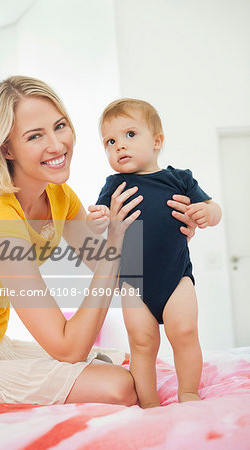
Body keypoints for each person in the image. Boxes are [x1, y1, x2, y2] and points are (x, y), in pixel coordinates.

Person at [0, 78, 195, 406]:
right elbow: (68, 348)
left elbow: (122, 269)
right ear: (6, 148)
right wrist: (116, 242)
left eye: (60, 126)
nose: (57, 145)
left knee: (121, 360)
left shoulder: (57, 194)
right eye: (35, 136)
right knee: (120, 387)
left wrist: (171, 231)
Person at [87, 98, 222, 408]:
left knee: (185, 332)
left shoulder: (180, 179)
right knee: (142, 342)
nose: (119, 146)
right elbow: (98, 219)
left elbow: (214, 208)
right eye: (110, 141)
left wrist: (207, 213)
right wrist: (95, 219)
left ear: (157, 141)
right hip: (134, 282)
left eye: (130, 135)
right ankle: (148, 402)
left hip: (176, 278)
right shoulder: (115, 185)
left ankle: (188, 392)